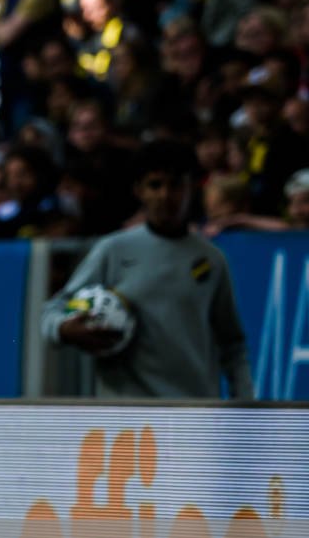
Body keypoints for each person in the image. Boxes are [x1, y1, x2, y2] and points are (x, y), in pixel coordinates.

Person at [42, 155, 255, 399]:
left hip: (192, 412)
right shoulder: (113, 250)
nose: (165, 195)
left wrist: (245, 402)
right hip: (127, 416)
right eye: (155, 185)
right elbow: (53, 309)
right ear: (139, 191)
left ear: (191, 189)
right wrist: (64, 329)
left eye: (175, 185)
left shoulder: (211, 260)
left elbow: (233, 344)